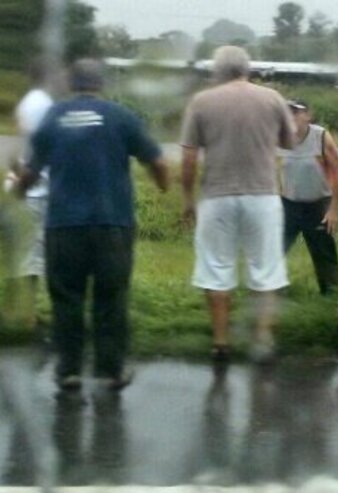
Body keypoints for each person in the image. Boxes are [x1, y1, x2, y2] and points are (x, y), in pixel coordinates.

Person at [16, 58, 170, 391]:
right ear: (101, 84)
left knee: (66, 298)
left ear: (71, 83)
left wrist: (18, 190)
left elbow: (29, 172)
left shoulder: (53, 118)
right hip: (111, 223)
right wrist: (163, 185)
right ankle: (110, 371)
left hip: (64, 225)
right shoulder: (121, 117)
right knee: (111, 297)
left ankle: (68, 371)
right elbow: (156, 161)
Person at [180, 46, 295, 363]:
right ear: (248, 69)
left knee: (216, 269)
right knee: (266, 269)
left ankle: (220, 343)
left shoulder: (201, 102)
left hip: (217, 196)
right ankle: (262, 340)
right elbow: (290, 141)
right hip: (262, 195)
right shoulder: (271, 98)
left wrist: (188, 200)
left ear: (217, 71)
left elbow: (189, 158)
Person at [3, 59, 55, 330]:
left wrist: (16, 176)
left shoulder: (25, 104)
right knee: (34, 254)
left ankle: (20, 312)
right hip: (37, 189)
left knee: (24, 252)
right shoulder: (46, 105)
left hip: (22, 184)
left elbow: (15, 149)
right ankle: (27, 317)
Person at [280, 100, 338, 295]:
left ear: (307, 115)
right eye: (288, 113)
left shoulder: (320, 136)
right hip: (288, 204)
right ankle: (271, 291)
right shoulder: (280, 137)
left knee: (323, 252)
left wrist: (333, 209)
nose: (291, 118)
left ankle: (330, 293)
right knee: (273, 248)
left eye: (296, 113)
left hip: (318, 204)